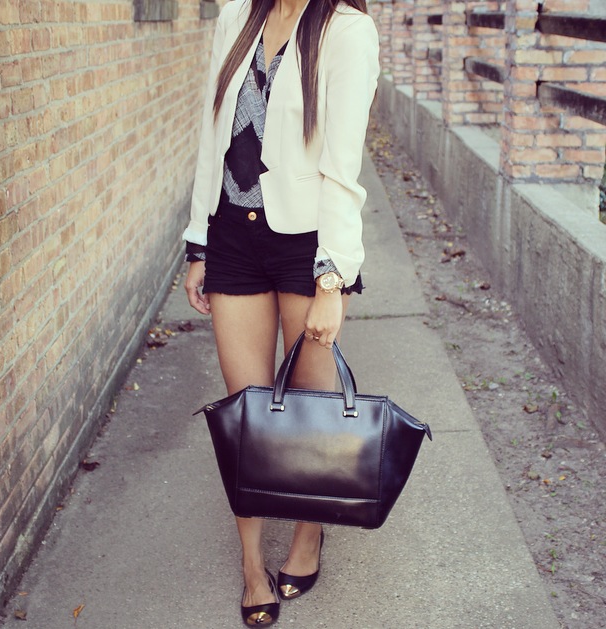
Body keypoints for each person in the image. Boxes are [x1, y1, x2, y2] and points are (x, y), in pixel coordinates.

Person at [183, 0, 379, 624]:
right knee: (246, 414)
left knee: (309, 412)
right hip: (232, 237)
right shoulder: (236, 17)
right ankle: (250, 564)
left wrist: (332, 280)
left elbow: (343, 169)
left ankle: (307, 534)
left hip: (307, 246)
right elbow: (211, 135)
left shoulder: (346, 31)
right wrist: (199, 243)